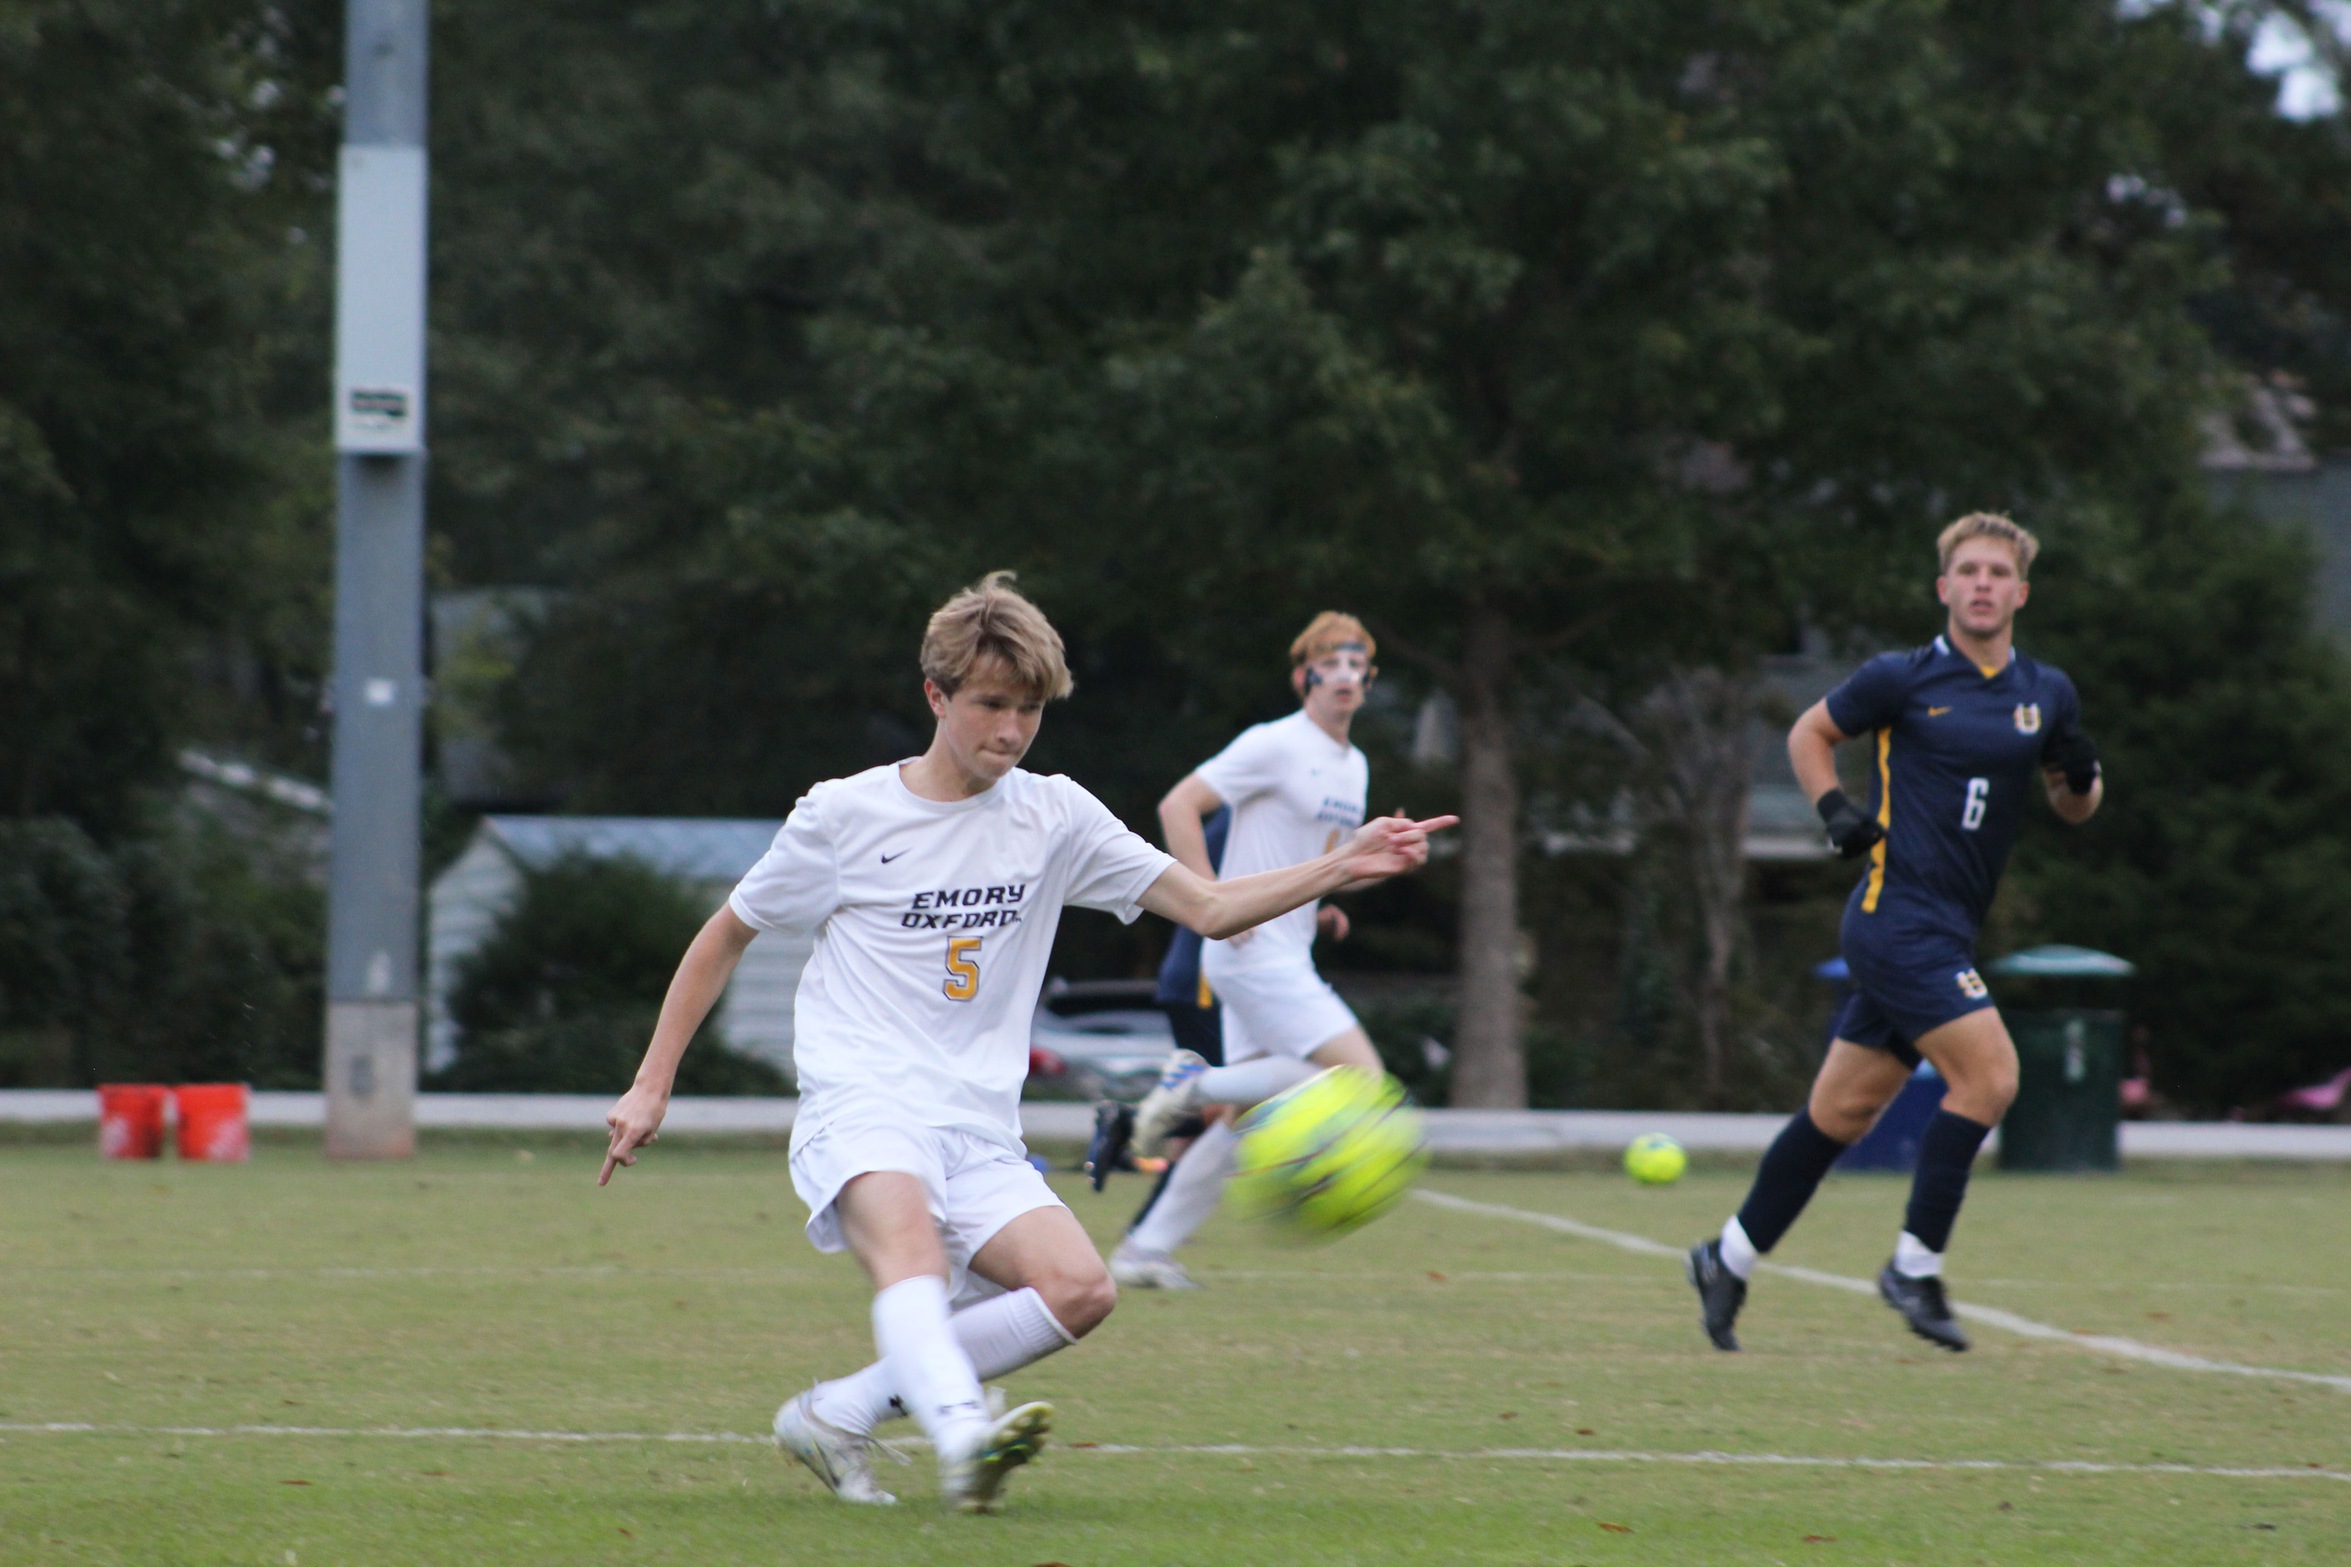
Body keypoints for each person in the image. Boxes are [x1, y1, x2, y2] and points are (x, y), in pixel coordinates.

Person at [599, 574, 1453, 1513]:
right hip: (862, 1101)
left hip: (977, 1124)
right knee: (912, 1252)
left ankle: (835, 1412)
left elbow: (1207, 907)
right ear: (936, 696)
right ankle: (965, 1439)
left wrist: (1341, 862)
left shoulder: (1054, 815)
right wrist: (650, 1086)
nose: (1010, 731)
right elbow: (725, 933)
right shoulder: (843, 815)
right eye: (990, 705)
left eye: (1030, 709)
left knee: (1081, 1289)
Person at [1687, 514, 2103, 1353]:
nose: (1982, 583)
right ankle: (1913, 1267)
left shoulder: (2045, 693)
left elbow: (2073, 803)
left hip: (1948, 928)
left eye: (1997, 572)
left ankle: (1723, 1255)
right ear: (1942, 587)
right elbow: (1808, 732)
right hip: (1895, 919)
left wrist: (2085, 776)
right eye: (1967, 571)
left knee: (1842, 1110)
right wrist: (1834, 809)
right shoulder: (1900, 677)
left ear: (2019, 592)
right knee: (1989, 1078)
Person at [1105, 613, 1384, 1290]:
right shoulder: (1273, 743)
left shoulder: (1355, 766)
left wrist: (1337, 895)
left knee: (1241, 1119)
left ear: (1368, 681)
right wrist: (1210, 900)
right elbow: (1179, 806)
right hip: (1250, 950)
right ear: (1303, 677)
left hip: (1289, 950)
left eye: (1357, 665)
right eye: (1332, 662)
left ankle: (1143, 1248)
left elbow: (1320, 859)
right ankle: (1187, 1086)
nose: (1345, 674)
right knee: (1361, 1079)